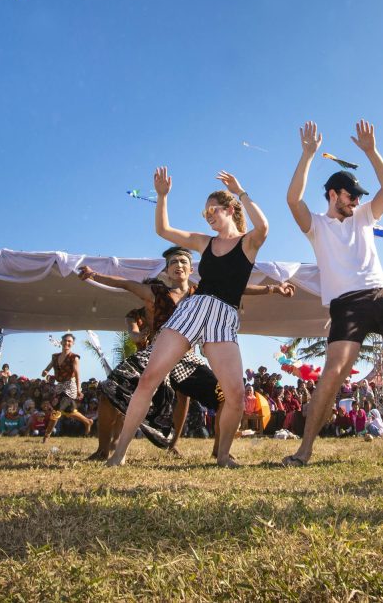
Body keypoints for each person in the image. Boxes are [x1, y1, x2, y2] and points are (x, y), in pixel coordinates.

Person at [282, 120, 383, 467]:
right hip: (347, 303)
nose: (358, 200)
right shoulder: (316, 226)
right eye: (352, 195)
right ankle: (303, 452)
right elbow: (293, 199)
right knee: (332, 374)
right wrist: (307, 156)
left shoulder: (364, 216)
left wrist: (370, 150)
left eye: (360, 196)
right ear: (333, 195)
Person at [106, 168, 270, 468]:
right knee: (149, 379)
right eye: (204, 211)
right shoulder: (205, 242)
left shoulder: (248, 243)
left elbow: (264, 226)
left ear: (230, 210)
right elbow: (164, 230)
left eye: (212, 209)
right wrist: (162, 196)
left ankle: (222, 456)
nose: (207, 215)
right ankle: (119, 455)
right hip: (194, 310)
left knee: (234, 394)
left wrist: (241, 190)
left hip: (223, 317)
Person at [79, 246, 292, 460]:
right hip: (158, 353)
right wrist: (94, 275)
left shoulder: (202, 292)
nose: (178, 265)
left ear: (191, 270)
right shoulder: (157, 293)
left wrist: (273, 288)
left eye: (183, 262)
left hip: (187, 360)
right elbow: (125, 283)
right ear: (167, 271)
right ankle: (103, 450)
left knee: (226, 397)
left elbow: (237, 287)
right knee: (109, 389)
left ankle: (219, 450)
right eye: (173, 262)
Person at [40, 333, 93, 442]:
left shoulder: (74, 357)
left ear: (72, 343)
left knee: (57, 409)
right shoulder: (55, 356)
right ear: (61, 342)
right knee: (69, 411)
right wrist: (45, 372)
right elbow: (48, 368)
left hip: (70, 386)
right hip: (59, 386)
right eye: (65, 340)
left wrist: (78, 389)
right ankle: (87, 421)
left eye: (69, 341)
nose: (67, 343)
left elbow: (77, 374)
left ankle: (46, 436)